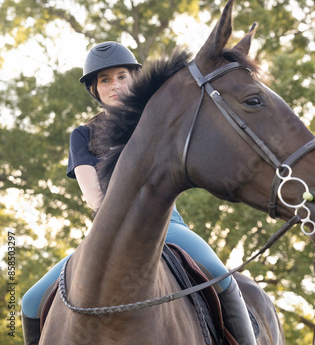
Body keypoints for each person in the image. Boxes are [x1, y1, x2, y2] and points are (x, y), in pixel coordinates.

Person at [21, 41, 257, 345]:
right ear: (95, 89)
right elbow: (94, 198)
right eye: (105, 80)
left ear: (134, 78)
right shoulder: (83, 135)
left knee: (220, 276)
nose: (114, 85)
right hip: (105, 236)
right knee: (30, 301)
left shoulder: (155, 122)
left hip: (166, 228)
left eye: (121, 76)